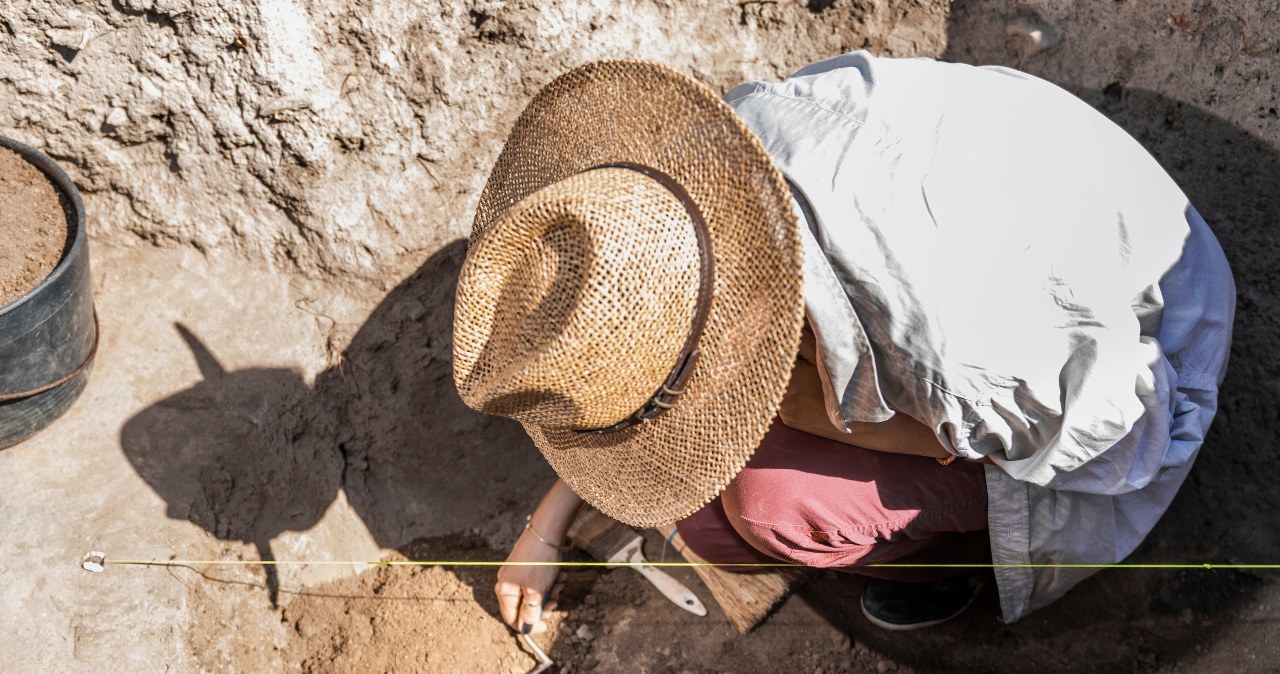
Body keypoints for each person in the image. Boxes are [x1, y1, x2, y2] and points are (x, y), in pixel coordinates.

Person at [451, 53, 1235, 634]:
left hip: (1147, 338)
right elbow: (639, 342)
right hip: (1037, 171)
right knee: (706, 516)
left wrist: (835, 417)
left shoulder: (955, 354)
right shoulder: (709, 174)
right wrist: (545, 524)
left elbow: (1133, 441)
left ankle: (954, 562)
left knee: (766, 510)